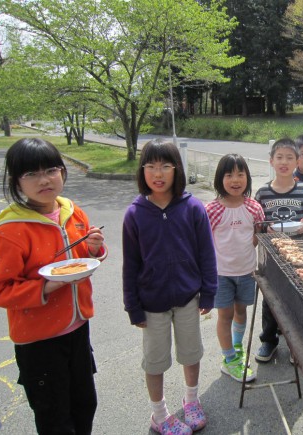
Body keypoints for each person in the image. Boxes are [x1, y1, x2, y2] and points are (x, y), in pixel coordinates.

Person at [0, 138, 107, 434]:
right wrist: (46, 288)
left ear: (63, 172)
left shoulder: (71, 211)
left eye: (51, 170)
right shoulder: (11, 230)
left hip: (78, 329)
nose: (44, 180)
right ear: (16, 182)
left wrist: (94, 249)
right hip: (39, 342)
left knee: (85, 405)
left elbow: (82, 259)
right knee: (55, 417)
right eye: (31, 174)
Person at [122, 139, 217, 435]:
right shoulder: (135, 214)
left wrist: (209, 291)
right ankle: (160, 415)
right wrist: (133, 306)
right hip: (151, 304)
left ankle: (191, 401)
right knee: (155, 361)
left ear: (177, 169)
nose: (157, 173)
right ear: (142, 170)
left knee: (191, 354)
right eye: (150, 166)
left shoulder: (192, 208)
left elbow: (206, 253)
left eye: (165, 165)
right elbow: (131, 265)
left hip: (188, 297)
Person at [254, 138, 303, 362]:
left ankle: (297, 344)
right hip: (272, 255)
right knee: (271, 298)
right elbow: (257, 222)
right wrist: (265, 228)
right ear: (271, 161)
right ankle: (268, 341)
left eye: (289, 158)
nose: (284, 162)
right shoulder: (263, 192)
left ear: (297, 161)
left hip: (300, 253)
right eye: (279, 157)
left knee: (300, 297)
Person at [205, 154, 265, 383]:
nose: (235, 180)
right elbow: (205, 242)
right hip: (221, 274)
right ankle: (229, 360)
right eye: (229, 175)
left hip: (248, 271)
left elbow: (258, 235)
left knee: (241, 311)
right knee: (225, 315)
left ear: (247, 178)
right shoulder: (211, 209)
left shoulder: (254, 207)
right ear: (220, 179)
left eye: (241, 174)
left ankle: (237, 349)